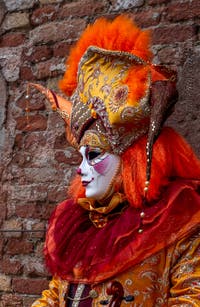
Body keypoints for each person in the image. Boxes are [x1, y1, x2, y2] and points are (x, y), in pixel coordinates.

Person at [31, 15, 200, 306]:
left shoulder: (178, 223)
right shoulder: (81, 227)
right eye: (81, 156)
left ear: (130, 161)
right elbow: (54, 296)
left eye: (94, 155)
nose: (81, 168)